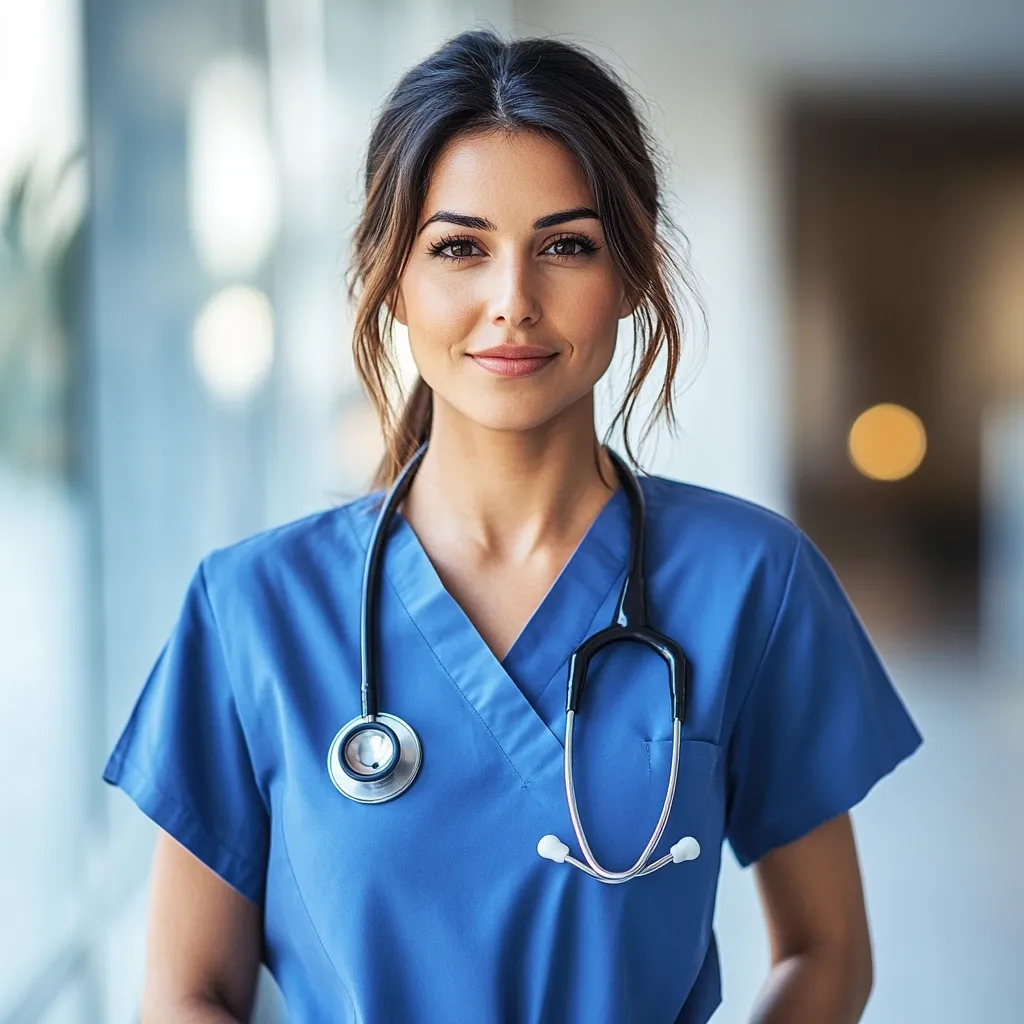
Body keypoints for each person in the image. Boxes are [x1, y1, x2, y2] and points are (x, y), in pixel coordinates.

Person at [103, 28, 922, 1024]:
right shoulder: (253, 610)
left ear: (627, 274)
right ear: (390, 278)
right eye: (459, 248)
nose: (512, 302)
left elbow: (827, 949)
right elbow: (188, 991)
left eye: (564, 246)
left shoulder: (751, 582)